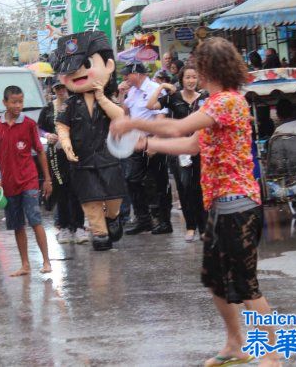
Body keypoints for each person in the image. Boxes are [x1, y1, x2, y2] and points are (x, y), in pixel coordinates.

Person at [111, 37, 280, 367]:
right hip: (219, 204)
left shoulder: (226, 102)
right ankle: (235, 344)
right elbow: (192, 144)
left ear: (209, 67)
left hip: (239, 204)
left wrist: (132, 122)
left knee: (246, 285)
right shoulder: (216, 102)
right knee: (215, 280)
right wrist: (149, 143)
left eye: (198, 66)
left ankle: (270, 354)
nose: (194, 72)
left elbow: (180, 126)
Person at [52, 31, 127, 251]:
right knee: (90, 199)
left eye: (85, 64)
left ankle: (112, 218)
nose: (79, 73)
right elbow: (62, 126)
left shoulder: (107, 100)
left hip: (107, 157)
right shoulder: (69, 104)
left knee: (114, 197)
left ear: (108, 66)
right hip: (82, 160)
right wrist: (65, 144)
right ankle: (100, 233)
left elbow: (120, 118)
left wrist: (102, 98)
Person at [0, 85, 52, 276]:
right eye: (14, 102)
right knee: (17, 225)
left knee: (35, 219)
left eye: (20, 101)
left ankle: (46, 261)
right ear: (4, 102)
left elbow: (40, 151)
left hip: (29, 181)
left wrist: (47, 179)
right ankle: (25, 265)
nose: (18, 105)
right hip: (8, 183)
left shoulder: (30, 124)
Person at [148, 65, 208, 241]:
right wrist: (161, 87)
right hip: (180, 150)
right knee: (184, 187)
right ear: (181, 79)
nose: (191, 81)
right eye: (187, 77)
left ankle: (203, 228)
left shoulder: (204, 98)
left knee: (200, 188)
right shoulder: (173, 97)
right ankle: (190, 227)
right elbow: (150, 105)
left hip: (200, 149)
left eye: (194, 77)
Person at [118, 61, 172, 235]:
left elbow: (161, 116)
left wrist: (155, 141)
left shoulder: (154, 89)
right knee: (131, 179)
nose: (125, 77)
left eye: (128, 74)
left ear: (138, 74)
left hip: (152, 140)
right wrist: (121, 94)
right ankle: (144, 219)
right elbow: (124, 113)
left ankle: (163, 221)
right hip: (137, 142)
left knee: (158, 182)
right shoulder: (132, 91)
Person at [38, 79, 88, 244]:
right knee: (61, 190)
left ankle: (79, 226)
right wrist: (47, 135)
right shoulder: (48, 109)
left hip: (74, 153)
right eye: (58, 89)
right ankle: (65, 226)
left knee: (76, 189)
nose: (61, 92)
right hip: (56, 156)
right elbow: (39, 128)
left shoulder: (77, 105)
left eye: (64, 88)